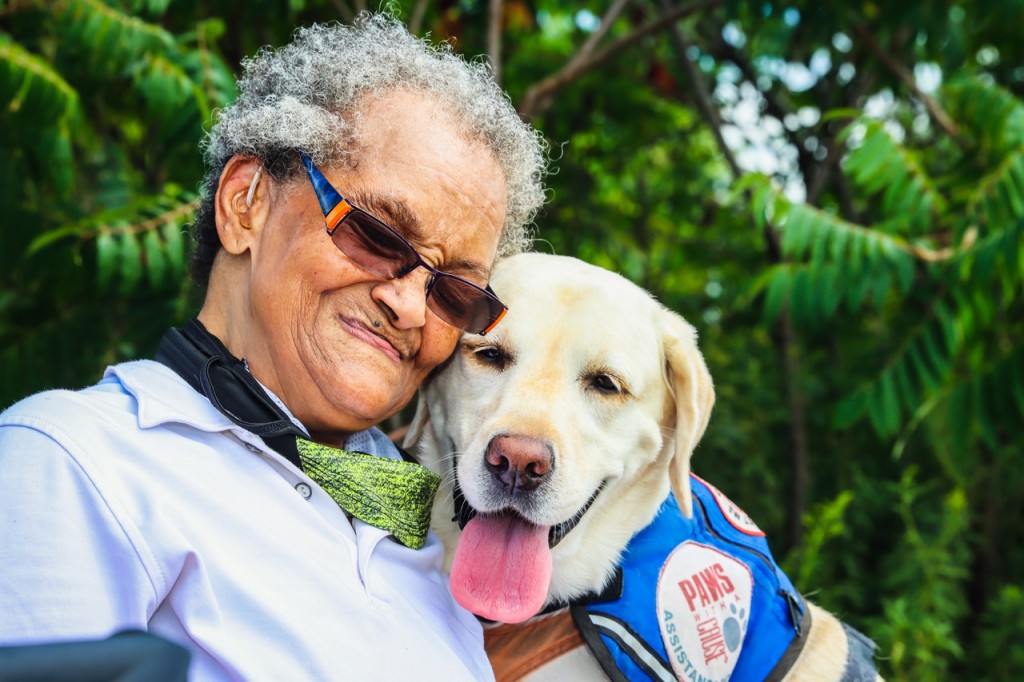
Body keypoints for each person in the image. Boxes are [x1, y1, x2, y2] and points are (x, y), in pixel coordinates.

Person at [0, 13, 546, 681]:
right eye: (375, 235)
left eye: (455, 291)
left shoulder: (432, 541)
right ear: (246, 203)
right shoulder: (76, 460)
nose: (407, 306)